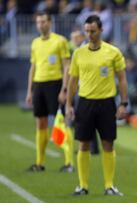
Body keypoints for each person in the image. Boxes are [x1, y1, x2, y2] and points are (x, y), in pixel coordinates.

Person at [66, 15, 128, 196]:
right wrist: (69, 103)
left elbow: (122, 79)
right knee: (83, 144)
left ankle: (109, 185)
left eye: (93, 31)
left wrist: (123, 103)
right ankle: (83, 186)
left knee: (108, 144)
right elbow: (72, 81)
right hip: (85, 103)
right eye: (87, 31)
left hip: (107, 103)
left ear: (101, 30)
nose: (89, 35)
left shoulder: (113, 52)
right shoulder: (78, 53)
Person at [25, 12, 71, 172]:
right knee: (40, 122)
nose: (41, 25)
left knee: (61, 122)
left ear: (50, 23)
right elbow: (33, 67)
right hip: (39, 84)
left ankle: (68, 162)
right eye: (38, 22)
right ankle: (40, 162)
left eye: (43, 21)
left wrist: (64, 89)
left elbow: (67, 66)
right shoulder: (35, 43)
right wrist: (29, 91)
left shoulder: (60, 41)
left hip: (55, 84)